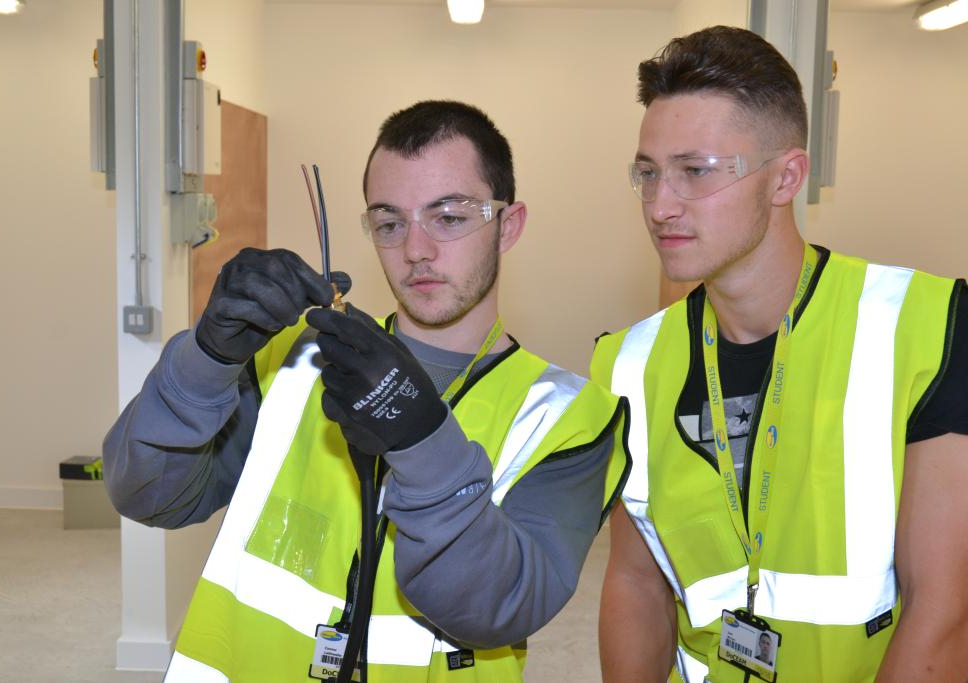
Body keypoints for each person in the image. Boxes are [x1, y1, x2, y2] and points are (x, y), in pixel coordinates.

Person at [104, 100, 627, 682]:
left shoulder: (568, 416)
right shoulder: (295, 358)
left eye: (449, 218)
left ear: (508, 225)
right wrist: (206, 358)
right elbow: (148, 497)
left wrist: (422, 439)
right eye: (389, 223)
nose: (416, 251)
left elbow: (498, 607)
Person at [591, 26, 968, 683]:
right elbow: (635, 582)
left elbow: (944, 610)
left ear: (785, 178)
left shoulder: (922, 325)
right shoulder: (627, 362)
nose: (660, 204)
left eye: (694, 171)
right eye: (647, 174)